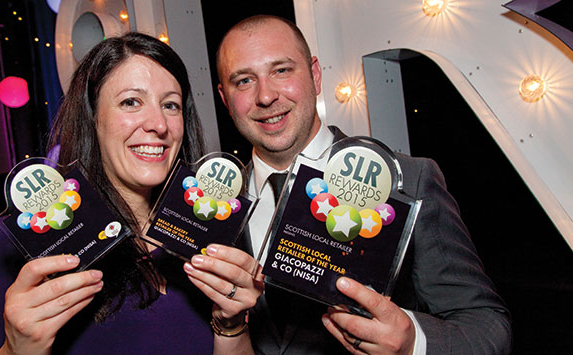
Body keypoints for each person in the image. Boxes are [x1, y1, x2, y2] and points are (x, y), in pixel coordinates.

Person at [0, 32, 262, 354]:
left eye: (170, 105)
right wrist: (18, 349)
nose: (158, 124)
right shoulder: (13, 244)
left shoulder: (203, 230)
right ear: (92, 117)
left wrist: (231, 323)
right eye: (130, 102)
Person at [215, 15, 512, 354]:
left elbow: (488, 327)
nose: (265, 96)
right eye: (243, 81)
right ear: (225, 99)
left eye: (281, 70)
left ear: (314, 75)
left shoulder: (408, 182)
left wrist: (412, 341)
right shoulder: (219, 202)